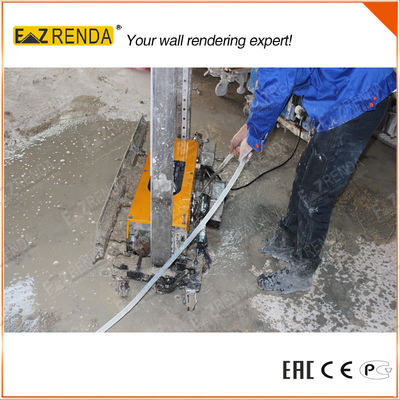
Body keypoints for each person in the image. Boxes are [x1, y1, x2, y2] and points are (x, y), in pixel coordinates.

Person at [230, 68, 396, 294]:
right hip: (342, 86)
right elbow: (278, 82)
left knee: (316, 195)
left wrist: (254, 137)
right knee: (306, 172)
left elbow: (277, 84)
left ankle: (301, 272)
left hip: (356, 97)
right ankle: (287, 239)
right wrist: (250, 127)